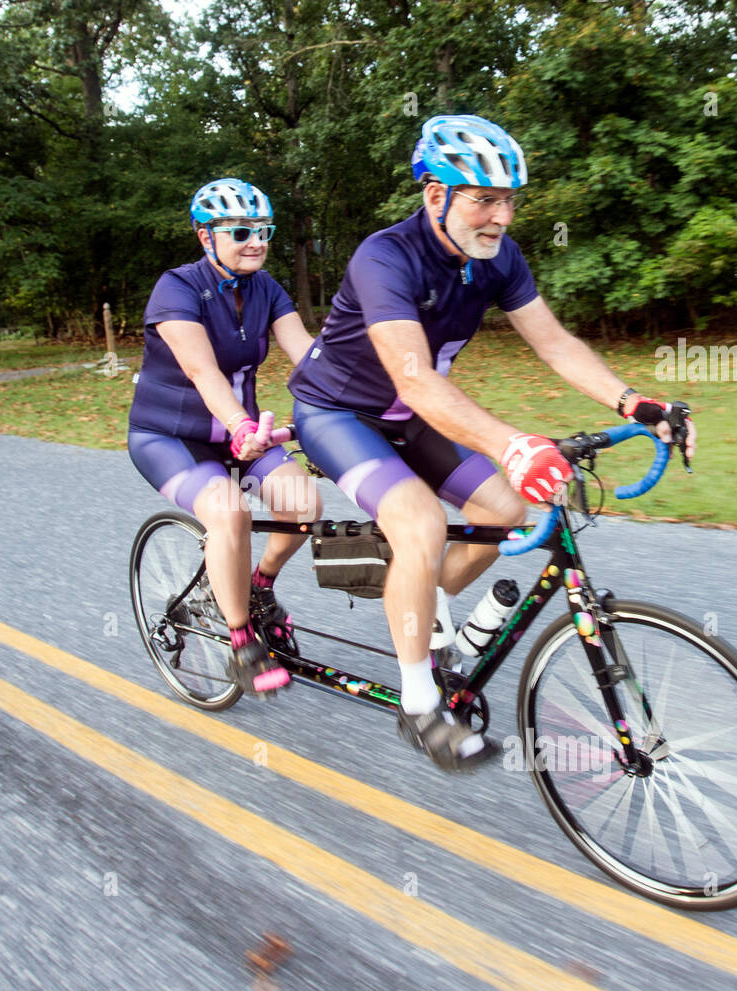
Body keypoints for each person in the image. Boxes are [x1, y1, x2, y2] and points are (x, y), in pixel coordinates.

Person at [289, 115, 696, 770]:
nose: (501, 216)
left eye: (509, 200)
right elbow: (416, 379)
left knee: (504, 510)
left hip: (412, 416)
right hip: (339, 412)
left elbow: (555, 342)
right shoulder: (385, 256)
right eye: (484, 198)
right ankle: (420, 705)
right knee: (420, 524)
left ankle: (418, 600)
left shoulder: (498, 257)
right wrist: (513, 444)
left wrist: (635, 402)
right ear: (435, 196)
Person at [129, 178, 322, 695]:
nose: (256, 240)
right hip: (172, 437)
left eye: (264, 230)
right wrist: (239, 425)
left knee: (303, 501)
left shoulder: (267, 288)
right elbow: (202, 371)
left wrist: (366, 396)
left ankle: (257, 588)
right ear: (204, 237)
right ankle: (242, 643)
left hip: (247, 436)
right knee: (229, 512)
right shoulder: (177, 287)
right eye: (241, 231)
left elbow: (308, 354)